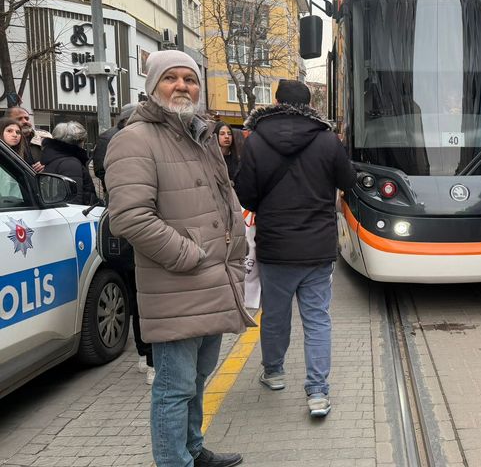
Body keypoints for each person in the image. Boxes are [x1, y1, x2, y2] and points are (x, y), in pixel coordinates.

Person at [105, 50, 254, 467]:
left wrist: (236, 250)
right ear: (153, 86)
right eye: (171, 78)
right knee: (173, 387)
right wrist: (189, 255)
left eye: (190, 79)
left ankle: (192, 448)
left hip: (215, 280)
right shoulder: (134, 140)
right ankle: (175, 461)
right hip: (178, 283)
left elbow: (225, 198)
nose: (182, 87)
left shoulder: (200, 134)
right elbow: (130, 218)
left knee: (197, 380)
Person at [234, 79, 355, 417]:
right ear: (309, 104)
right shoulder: (327, 140)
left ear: (276, 102)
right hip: (317, 248)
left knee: (274, 314)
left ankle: (274, 373)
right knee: (317, 319)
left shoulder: (256, 141)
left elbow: (246, 195)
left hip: (275, 247)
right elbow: (347, 181)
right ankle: (317, 393)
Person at [91, 103, 155, 385]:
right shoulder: (129, 145)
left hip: (128, 238)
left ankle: (146, 354)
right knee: (142, 297)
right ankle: (149, 357)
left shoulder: (111, 142)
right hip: (139, 237)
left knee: (137, 296)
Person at [40, 121, 97, 205]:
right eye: (82, 140)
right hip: (78, 214)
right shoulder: (70, 163)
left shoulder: (55, 158)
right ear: (78, 141)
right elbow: (74, 200)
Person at [5, 106, 47, 172]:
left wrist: (48, 162)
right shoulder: (3, 141)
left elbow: (60, 157)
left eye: (27, 118)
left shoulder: (45, 136)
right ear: (7, 121)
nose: (25, 121)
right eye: (19, 119)